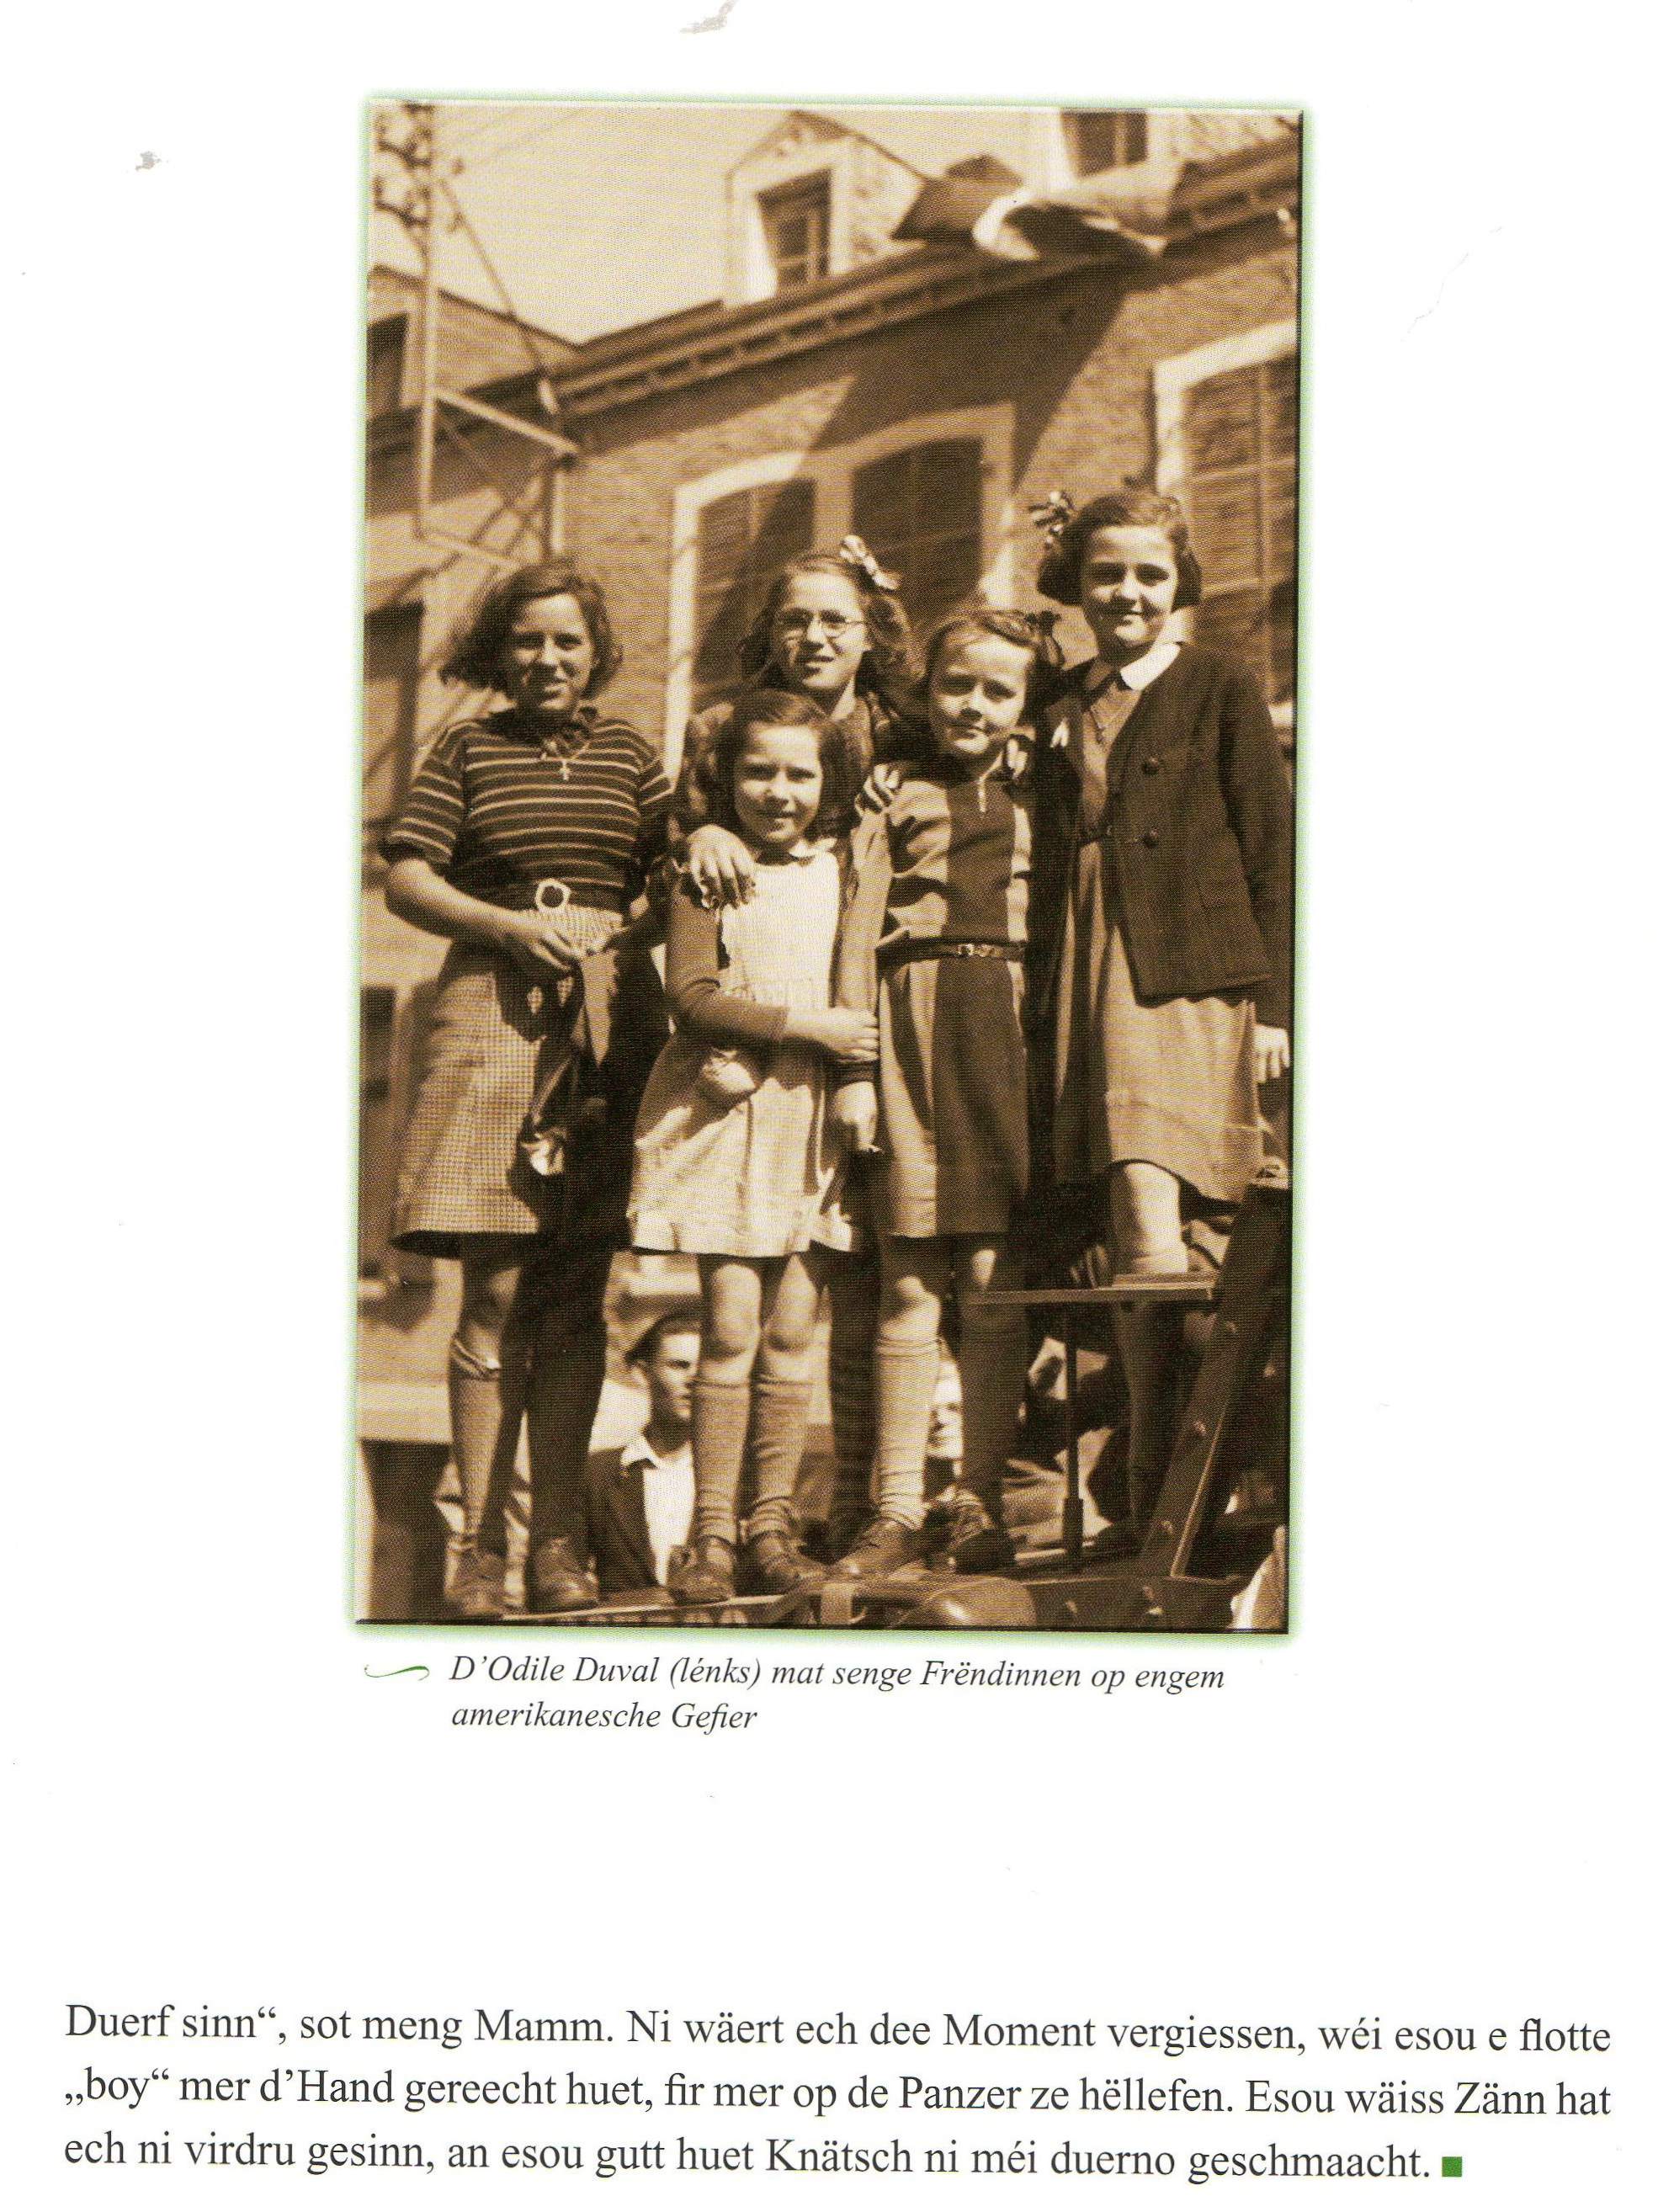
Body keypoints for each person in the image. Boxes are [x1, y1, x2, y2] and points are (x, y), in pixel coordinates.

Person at [380, 558, 670, 1621]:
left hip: (607, 1016)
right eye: (528, 640)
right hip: (492, 1013)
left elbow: (673, 864)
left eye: (567, 641)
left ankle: (556, 1543)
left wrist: (641, 918)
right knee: (496, 1288)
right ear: (499, 652)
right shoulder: (465, 748)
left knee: (577, 1292)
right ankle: (478, 1549)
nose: (548, 659)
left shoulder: (630, 752)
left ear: (596, 652)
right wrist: (504, 927)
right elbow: (407, 876)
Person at [1026, 487, 1294, 1538]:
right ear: (1076, 585)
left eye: (1148, 572)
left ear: (1178, 582)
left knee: (1161, 1207)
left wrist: (1274, 1007)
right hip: (1082, 972)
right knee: (1134, 1220)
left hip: (1185, 979)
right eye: (1105, 573)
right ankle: (1160, 1479)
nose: (1127, 592)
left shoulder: (1217, 684)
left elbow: (1273, 849)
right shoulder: (1059, 698)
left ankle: (1161, 1485)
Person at [674, 539, 924, 1559]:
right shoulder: (720, 731)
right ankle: (727, 1525)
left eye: (836, 619)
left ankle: (854, 1507)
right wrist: (694, 831)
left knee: (857, 1295)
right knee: (750, 1320)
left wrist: (854, 1061)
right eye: (794, 618)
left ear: (869, 634)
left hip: (867, 1042)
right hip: (755, 1068)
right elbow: (686, 940)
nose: (814, 637)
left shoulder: (903, 728)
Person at [628, 693, 878, 1604]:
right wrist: (805, 1027)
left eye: (799, 774)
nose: (779, 792)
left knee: (791, 1335)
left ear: (828, 781)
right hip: (728, 1122)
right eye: (757, 771)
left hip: (810, 1119)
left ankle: (769, 1527)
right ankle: (711, 1537)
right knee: (730, 1330)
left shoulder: (843, 867)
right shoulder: (708, 870)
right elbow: (691, 996)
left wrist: (845, 1066)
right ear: (725, 777)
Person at [832, 608, 1058, 1578]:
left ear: (1024, 707)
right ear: (925, 695)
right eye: (955, 685)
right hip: (911, 1020)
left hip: (1007, 1028)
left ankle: (976, 1499)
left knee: (993, 1280)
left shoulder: (1045, 792)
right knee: (910, 1276)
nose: (973, 704)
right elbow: (855, 934)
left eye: (997, 691)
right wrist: (854, 1068)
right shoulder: (892, 795)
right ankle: (893, 1506)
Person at [577, 1311, 701, 1596]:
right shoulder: (596, 1475)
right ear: (643, 1374)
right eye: (679, 1365)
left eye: (705, 1367)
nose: (694, 1379)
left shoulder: (742, 1477)